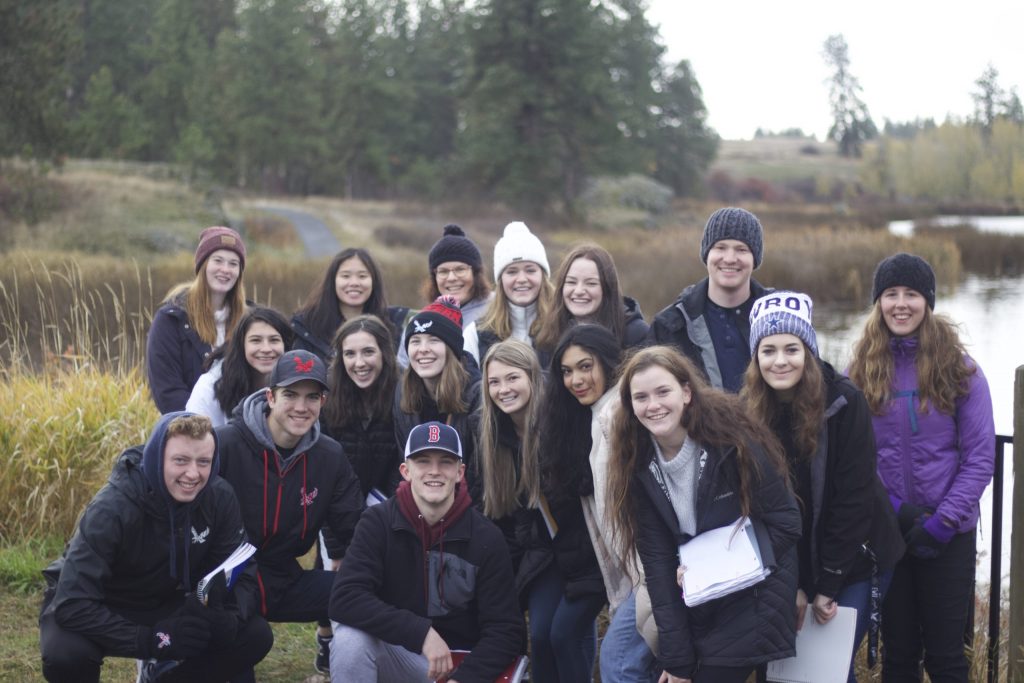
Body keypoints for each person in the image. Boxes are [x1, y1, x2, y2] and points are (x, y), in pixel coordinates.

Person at [605, 345, 801, 683]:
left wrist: (708, 564)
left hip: (757, 593)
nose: (653, 405)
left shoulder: (732, 442)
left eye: (663, 392)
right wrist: (677, 662)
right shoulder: (637, 464)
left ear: (686, 392)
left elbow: (787, 522)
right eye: (641, 397)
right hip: (699, 596)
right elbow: (659, 567)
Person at [742, 291, 904, 682]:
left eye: (791, 349)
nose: (780, 361)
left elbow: (854, 500)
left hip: (855, 561)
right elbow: (758, 509)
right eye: (768, 350)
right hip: (790, 565)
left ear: (808, 351)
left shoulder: (844, 402)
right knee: (783, 670)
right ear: (756, 357)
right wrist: (792, 585)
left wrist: (826, 585)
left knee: (825, 671)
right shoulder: (747, 411)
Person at [39, 412, 273, 683]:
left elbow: (242, 573)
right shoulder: (112, 508)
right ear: (157, 457)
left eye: (204, 462)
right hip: (102, 601)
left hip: (167, 599)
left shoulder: (219, 497)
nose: (193, 473)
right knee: (65, 655)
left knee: (253, 635)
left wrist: (230, 618)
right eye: (180, 460)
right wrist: (153, 641)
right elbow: (73, 603)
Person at [848, 253, 994, 682]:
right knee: (899, 656)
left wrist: (943, 520)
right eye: (891, 294)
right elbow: (854, 458)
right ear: (878, 302)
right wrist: (895, 511)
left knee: (946, 658)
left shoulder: (961, 371)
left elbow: (980, 456)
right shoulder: (859, 372)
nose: (901, 303)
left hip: (948, 535)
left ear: (927, 301)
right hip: (889, 534)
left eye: (911, 293)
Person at [329, 421, 525, 682]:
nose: (434, 471)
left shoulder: (486, 536)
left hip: (463, 666)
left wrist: (463, 679)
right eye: (423, 461)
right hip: (403, 657)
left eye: (445, 461)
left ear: (460, 472)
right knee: (349, 640)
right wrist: (421, 633)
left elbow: (506, 630)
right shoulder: (377, 522)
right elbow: (345, 599)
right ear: (405, 470)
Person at [215, 349, 364, 677]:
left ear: (323, 402)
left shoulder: (329, 456)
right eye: (290, 395)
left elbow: (355, 525)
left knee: (364, 593)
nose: (301, 407)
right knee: (253, 640)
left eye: (312, 397)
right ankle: (169, 663)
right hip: (228, 584)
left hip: (284, 578)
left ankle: (342, 661)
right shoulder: (225, 444)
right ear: (270, 396)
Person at [523, 324, 619, 682]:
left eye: (585, 366)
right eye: (566, 371)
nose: (576, 379)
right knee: (543, 635)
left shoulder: (618, 415)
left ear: (608, 364)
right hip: (567, 550)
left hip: (604, 554)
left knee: (563, 634)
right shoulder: (561, 417)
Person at [647, 207, 770, 392]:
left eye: (741, 249)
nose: (730, 258)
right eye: (720, 247)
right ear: (707, 254)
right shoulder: (670, 325)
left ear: (755, 258)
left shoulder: (780, 317)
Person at [147, 226, 248, 413]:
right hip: (191, 432)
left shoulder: (250, 321)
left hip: (240, 433)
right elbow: (167, 392)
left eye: (233, 264)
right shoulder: (171, 320)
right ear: (203, 265)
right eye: (218, 261)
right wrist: (203, 430)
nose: (225, 270)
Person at [394, 295, 482, 481]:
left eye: (433, 340)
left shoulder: (477, 395)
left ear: (452, 349)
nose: (423, 349)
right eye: (415, 341)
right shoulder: (402, 392)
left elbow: (480, 472)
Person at [476, 339, 544, 573]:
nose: (503, 389)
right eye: (494, 382)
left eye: (512, 378)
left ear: (532, 377)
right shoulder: (492, 435)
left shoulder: (554, 429)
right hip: (527, 552)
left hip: (565, 556)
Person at [321, 314, 402, 500]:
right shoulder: (326, 393)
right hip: (338, 505)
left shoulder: (403, 392)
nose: (359, 363)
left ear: (384, 352)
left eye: (368, 352)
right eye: (350, 354)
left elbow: (402, 464)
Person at [291, 247, 411, 363]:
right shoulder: (307, 326)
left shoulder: (395, 324)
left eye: (362, 276)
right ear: (333, 281)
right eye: (345, 276)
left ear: (374, 282)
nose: (354, 283)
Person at [186, 306, 294, 427]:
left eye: (274, 340)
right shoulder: (210, 386)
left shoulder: (297, 382)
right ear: (241, 345)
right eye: (256, 340)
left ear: (286, 345)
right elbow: (195, 437)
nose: (266, 349)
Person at [464, 221, 554, 366]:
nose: (522, 279)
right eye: (512, 272)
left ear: (543, 275)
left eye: (530, 270)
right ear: (501, 280)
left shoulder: (562, 327)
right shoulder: (476, 333)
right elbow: (468, 384)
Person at [536, 243, 649, 354]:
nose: (579, 291)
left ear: (607, 288)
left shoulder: (635, 334)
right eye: (571, 282)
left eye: (591, 283)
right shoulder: (549, 335)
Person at [422, 223, 493, 328]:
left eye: (460, 269)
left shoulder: (497, 312)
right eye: (443, 271)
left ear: (476, 273)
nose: (451, 278)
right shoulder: (425, 321)